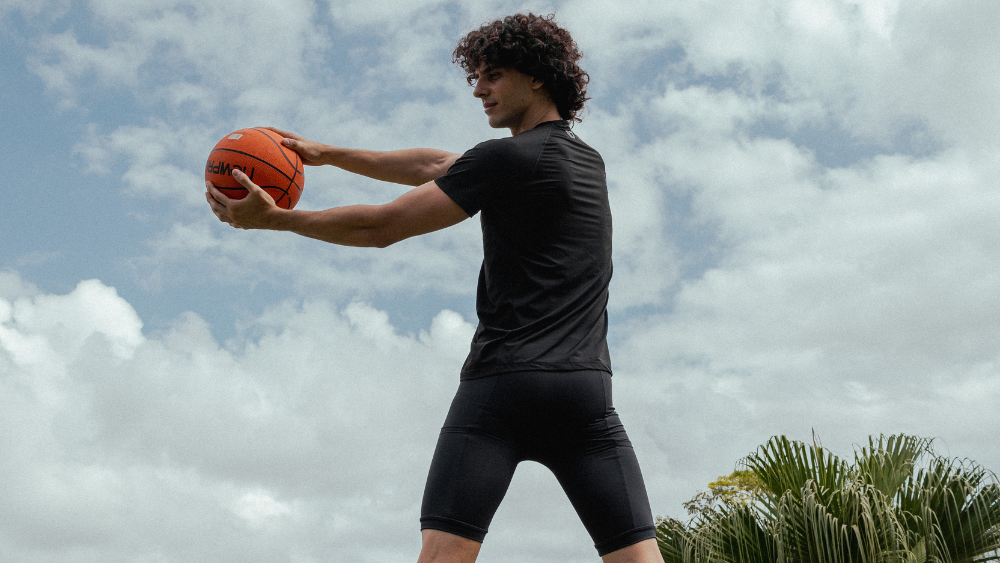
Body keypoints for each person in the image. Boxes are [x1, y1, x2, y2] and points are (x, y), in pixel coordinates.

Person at [206, 13, 663, 563]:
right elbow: (438, 164)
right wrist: (329, 154)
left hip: (505, 387)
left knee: (444, 557)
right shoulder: (583, 161)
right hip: (585, 395)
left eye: (493, 74)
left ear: (537, 76)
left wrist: (277, 220)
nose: (478, 89)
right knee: (637, 559)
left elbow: (382, 227)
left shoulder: (507, 158)